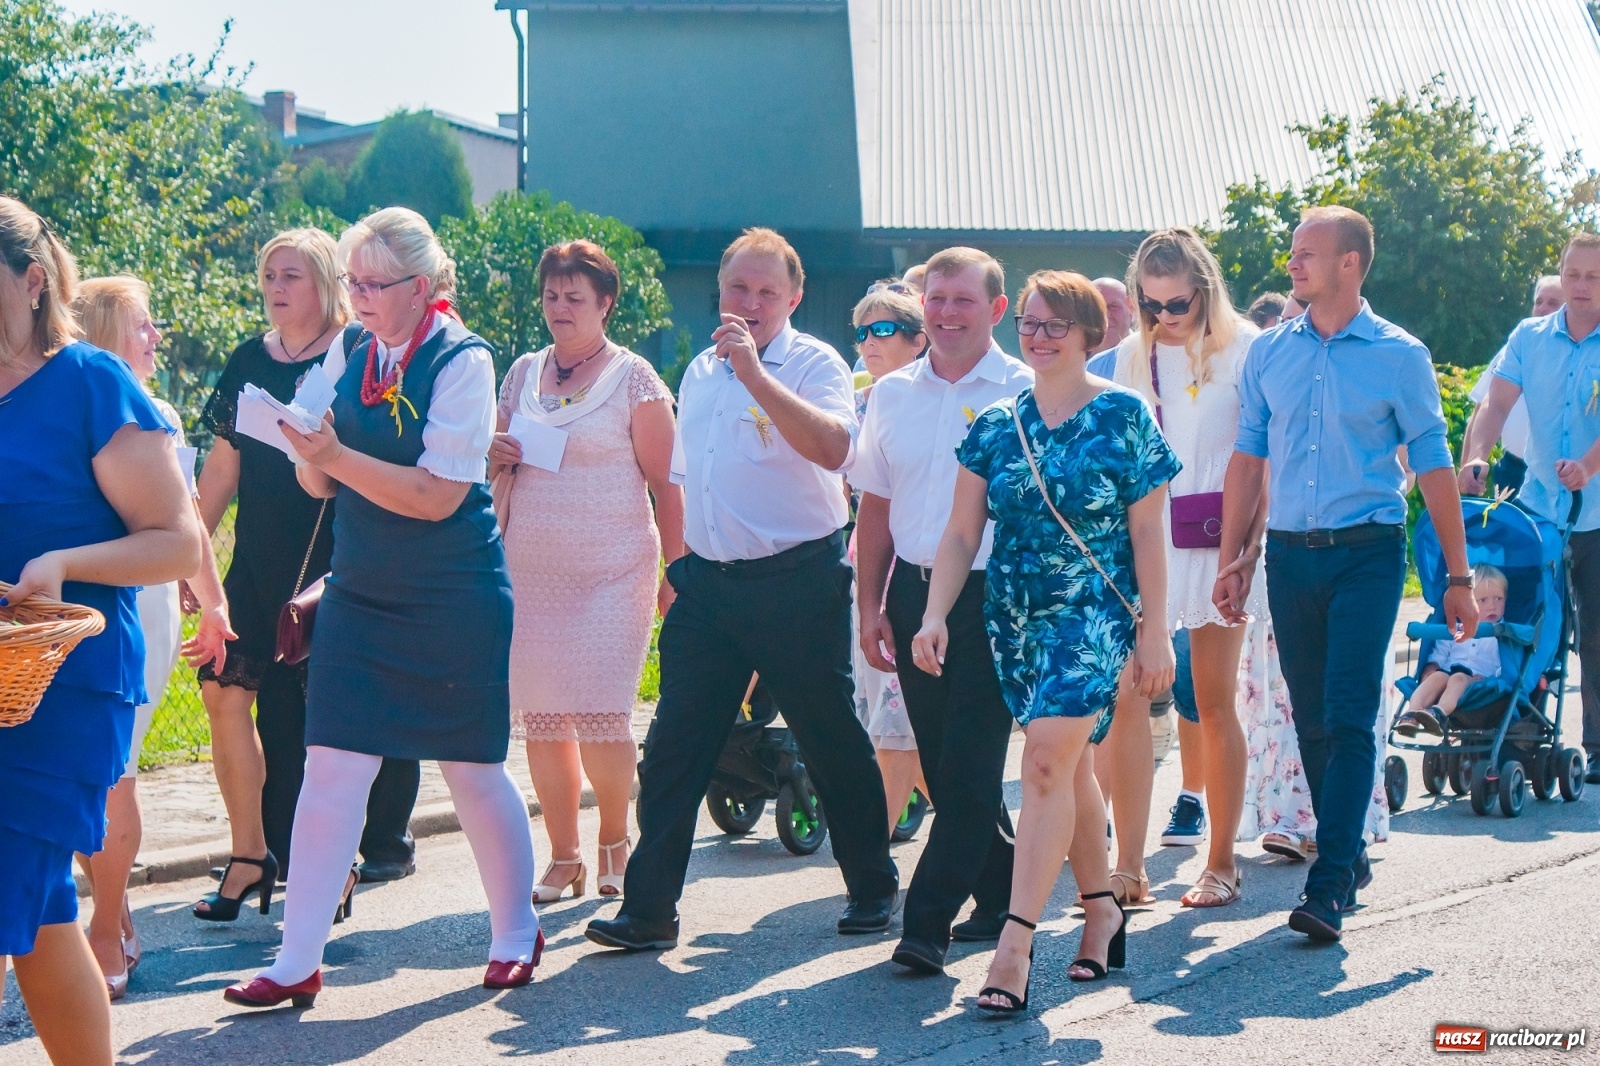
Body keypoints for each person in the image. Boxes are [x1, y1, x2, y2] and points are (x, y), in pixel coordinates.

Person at [224, 207, 541, 1008]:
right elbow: (317, 480)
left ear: (424, 287)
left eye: (374, 283)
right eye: (353, 281)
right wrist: (309, 452)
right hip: (362, 588)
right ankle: (297, 958)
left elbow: (437, 496)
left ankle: (514, 928)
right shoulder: (349, 347)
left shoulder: (464, 360)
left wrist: (334, 456)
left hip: (451, 593)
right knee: (331, 770)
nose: (358, 296)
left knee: (472, 768)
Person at [585, 228, 899, 952]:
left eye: (766, 291)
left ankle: (874, 888)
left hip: (798, 582)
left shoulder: (814, 363)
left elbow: (835, 451)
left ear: (793, 297)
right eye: (737, 288)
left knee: (829, 740)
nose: (750, 303)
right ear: (718, 292)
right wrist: (683, 569)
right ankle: (650, 909)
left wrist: (758, 375)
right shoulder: (698, 371)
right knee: (672, 748)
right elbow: (690, 480)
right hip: (712, 586)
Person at [914, 270, 1179, 1012]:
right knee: (1065, 771)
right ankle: (1102, 909)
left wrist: (1154, 630)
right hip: (1015, 617)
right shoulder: (997, 423)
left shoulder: (1125, 415)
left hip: (1093, 613)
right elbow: (963, 531)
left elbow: (1148, 532)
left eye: (1055, 323)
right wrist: (935, 614)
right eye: (1030, 322)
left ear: (1089, 333)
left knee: (1039, 764)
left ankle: (1015, 944)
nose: (1038, 335)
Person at [1217, 205, 1476, 943]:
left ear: (1349, 264)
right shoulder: (1269, 353)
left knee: (1350, 710)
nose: (1292, 265)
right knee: (1312, 717)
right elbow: (1247, 459)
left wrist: (1456, 576)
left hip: (1368, 550)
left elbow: (1433, 465)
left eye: (1306, 253)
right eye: (1294, 253)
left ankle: (1329, 881)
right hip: (1290, 555)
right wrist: (1236, 556)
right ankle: (1347, 848)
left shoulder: (1401, 355)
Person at [0, 195, 203, 1065]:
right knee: (39, 911)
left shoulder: (90, 382)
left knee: (15, 890)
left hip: (64, 685)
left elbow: (177, 540)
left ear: (33, 280)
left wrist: (62, 562)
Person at [193, 229, 420, 925]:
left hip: (333, 559)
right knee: (221, 693)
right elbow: (222, 468)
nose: (276, 287)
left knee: (324, 724)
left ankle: (335, 864)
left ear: (325, 281)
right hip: (257, 564)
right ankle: (250, 854)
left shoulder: (357, 355)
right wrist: (189, 549)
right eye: (268, 275)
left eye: (291, 274)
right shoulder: (244, 361)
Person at [851, 248, 1032, 975]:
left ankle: (924, 922)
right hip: (913, 590)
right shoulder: (889, 395)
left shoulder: (1024, 390)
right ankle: (1001, 890)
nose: (947, 313)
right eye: (936, 300)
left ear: (995, 310)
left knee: (971, 765)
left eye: (964, 301)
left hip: (993, 596)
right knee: (947, 767)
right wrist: (870, 602)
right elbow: (875, 506)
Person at [489, 240, 683, 901]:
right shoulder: (521, 372)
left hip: (613, 571)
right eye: (551, 296)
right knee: (544, 718)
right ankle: (564, 854)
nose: (560, 308)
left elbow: (668, 483)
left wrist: (675, 573)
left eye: (575, 297)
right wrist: (494, 449)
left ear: (605, 303)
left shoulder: (636, 380)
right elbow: (488, 453)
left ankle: (615, 840)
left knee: (602, 714)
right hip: (532, 572)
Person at [70, 276, 232, 997]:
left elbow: (188, 522)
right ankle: (117, 903)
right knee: (74, 769)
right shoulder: (65, 404)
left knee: (118, 765)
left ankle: (105, 921)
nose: (156, 337)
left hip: (144, 603)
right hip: (67, 602)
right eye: (143, 324)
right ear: (107, 330)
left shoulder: (156, 410)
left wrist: (214, 601)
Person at [1108, 229, 1262, 909]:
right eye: (1152, 305)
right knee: (1128, 699)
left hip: (1219, 542)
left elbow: (1261, 457)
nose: (1165, 318)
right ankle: (1128, 864)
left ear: (1205, 289)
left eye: (1177, 305)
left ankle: (1222, 861)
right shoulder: (1128, 358)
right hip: (1144, 544)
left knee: (1215, 698)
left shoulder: (1248, 348)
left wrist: (1247, 549)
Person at [1461, 233, 1600, 783]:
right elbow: (1495, 404)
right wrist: (1475, 457)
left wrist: (1589, 466)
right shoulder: (1530, 337)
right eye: (1574, 275)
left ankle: (1597, 743)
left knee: (1596, 633)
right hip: (1539, 508)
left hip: (1596, 511)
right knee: (1529, 622)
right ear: (1561, 274)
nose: (1582, 286)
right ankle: (1522, 731)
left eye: (1594, 276)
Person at [847, 281, 930, 830]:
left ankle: (871, 863)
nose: (869, 342)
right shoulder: (856, 399)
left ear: (917, 340)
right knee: (887, 724)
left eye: (882, 330)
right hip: (864, 562)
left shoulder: (929, 400)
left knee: (897, 728)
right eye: (862, 332)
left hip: (918, 567)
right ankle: (997, 850)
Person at [1462, 275, 1566, 498]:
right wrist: (1469, 467)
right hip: (1512, 472)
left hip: (1563, 479)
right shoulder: (1516, 349)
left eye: (1553, 303)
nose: (1543, 308)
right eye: (1539, 302)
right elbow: (1483, 408)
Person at [1395, 564, 1507, 736]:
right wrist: (1432, 665)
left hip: (1479, 682)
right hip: (1447, 673)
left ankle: (1438, 712)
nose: (1492, 605)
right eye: (1483, 600)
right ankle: (1412, 713)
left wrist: (1492, 679)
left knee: (1458, 679)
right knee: (1437, 677)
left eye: (1498, 599)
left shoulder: (1503, 633)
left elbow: (1507, 662)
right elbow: (1442, 649)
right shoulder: (1458, 626)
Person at [1091, 276, 1134, 355]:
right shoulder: (1069, 361)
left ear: (1131, 310)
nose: (1105, 315)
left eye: (1113, 307)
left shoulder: (1150, 357)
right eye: (1096, 307)